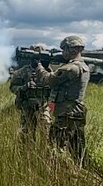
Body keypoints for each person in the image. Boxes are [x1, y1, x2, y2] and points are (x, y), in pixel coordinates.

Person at [35, 36, 90, 165]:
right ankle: (81, 171)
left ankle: (61, 174)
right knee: (77, 149)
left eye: (64, 49)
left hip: (66, 113)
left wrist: (39, 66)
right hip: (77, 111)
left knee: (55, 146)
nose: (63, 53)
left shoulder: (71, 68)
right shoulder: (83, 66)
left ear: (71, 50)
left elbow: (50, 80)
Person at [9, 45, 52, 141]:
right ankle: (26, 151)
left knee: (46, 129)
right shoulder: (22, 72)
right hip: (27, 105)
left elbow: (54, 87)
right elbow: (12, 87)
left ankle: (45, 151)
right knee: (26, 131)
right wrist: (24, 87)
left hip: (43, 105)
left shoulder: (48, 71)